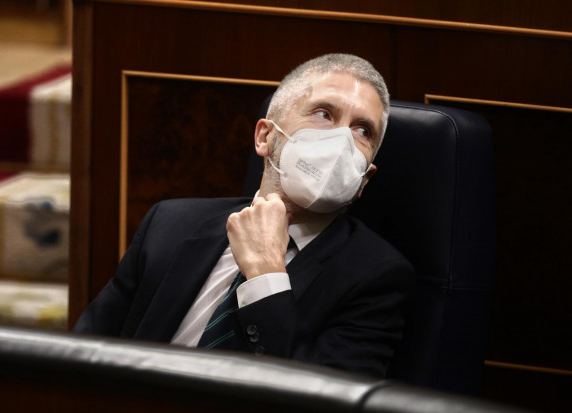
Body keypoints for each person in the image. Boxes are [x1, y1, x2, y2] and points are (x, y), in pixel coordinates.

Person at [74, 53, 415, 378]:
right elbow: (84, 354)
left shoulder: (377, 277)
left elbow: (321, 400)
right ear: (265, 136)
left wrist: (266, 277)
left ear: (363, 180)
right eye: (323, 114)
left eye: (362, 131)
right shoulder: (170, 223)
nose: (341, 140)